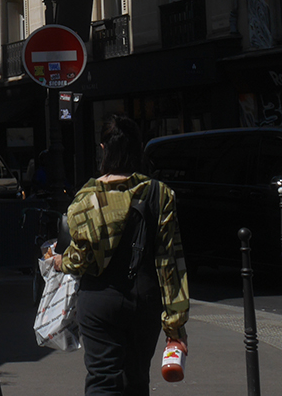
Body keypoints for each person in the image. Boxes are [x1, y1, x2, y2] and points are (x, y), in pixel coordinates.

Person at [54, 114, 189, 396]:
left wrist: (59, 261)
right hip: (144, 297)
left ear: (103, 149)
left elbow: (80, 259)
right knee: (137, 380)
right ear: (138, 148)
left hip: (99, 298)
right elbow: (169, 263)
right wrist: (174, 324)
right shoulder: (160, 194)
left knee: (102, 379)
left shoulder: (85, 198)